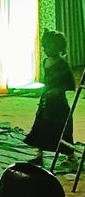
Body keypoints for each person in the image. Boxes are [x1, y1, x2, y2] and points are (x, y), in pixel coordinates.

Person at [25, 31, 76, 161]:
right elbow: (46, 80)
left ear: (58, 47)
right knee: (41, 125)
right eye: (45, 46)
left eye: (49, 46)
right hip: (45, 101)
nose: (46, 49)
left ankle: (70, 155)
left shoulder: (62, 64)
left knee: (62, 127)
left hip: (58, 104)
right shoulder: (45, 62)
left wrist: (58, 91)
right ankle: (39, 154)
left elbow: (71, 84)